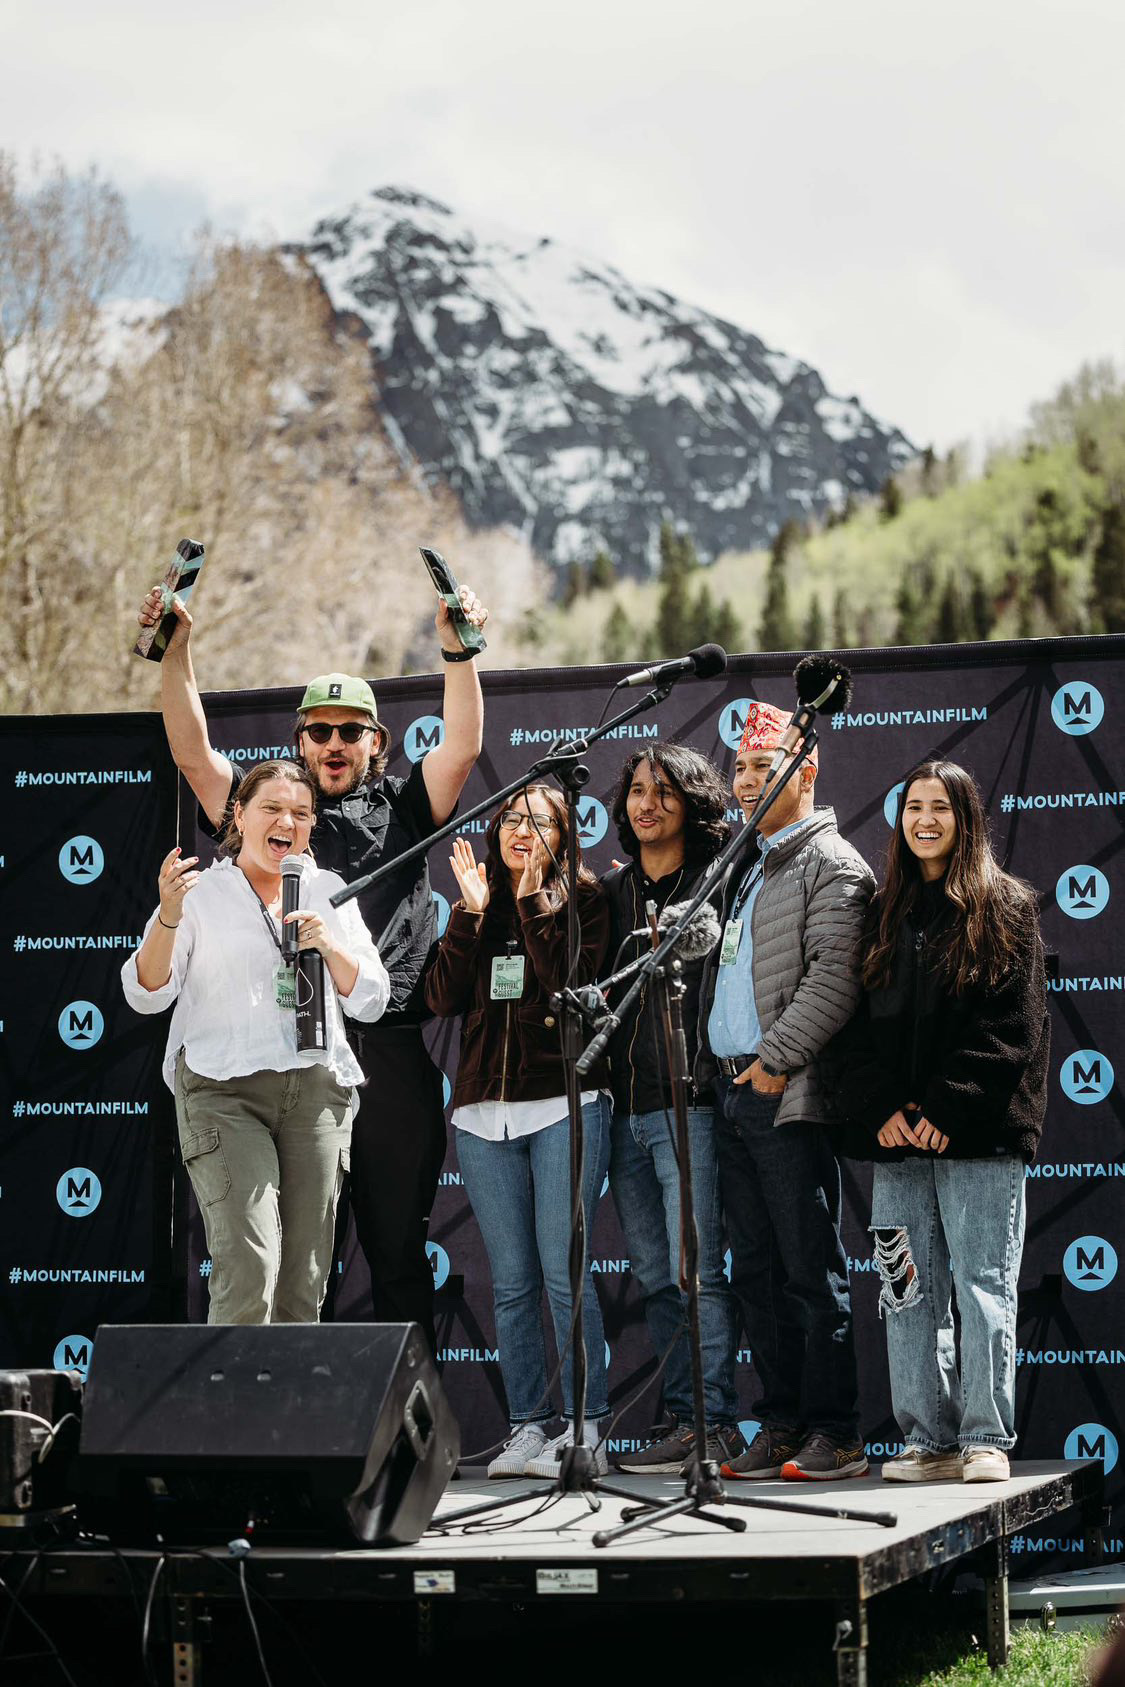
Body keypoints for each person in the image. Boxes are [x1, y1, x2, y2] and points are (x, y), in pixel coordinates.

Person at [137, 578, 488, 1350]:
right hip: (281, 1050)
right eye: (319, 730)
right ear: (297, 741)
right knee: (298, 1267)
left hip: (386, 1048)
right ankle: (284, 1436)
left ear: (376, 743)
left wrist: (458, 649)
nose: (333, 743)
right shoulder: (274, 808)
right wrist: (176, 650)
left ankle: (399, 1440)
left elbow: (460, 746)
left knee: (397, 1256)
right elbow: (193, 754)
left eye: (349, 731)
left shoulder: (404, 804)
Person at [833, 759, 1048, 1483]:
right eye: (913, 806)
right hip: (895, 1145)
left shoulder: (1007, 906)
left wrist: (943, 1110)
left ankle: (984, 1436)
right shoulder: (882, 911)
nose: (924, 819)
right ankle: (928, 1438)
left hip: (979, 1138)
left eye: (940, 807)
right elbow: (853, 1028)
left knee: (983, 1282)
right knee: (903, 1286)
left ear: (965, 817)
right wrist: (884, 1111)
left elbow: (1010, 1030)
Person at [121, 760, 390, 1324]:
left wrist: (329, 945)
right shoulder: (200, 895)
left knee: (304, 1284)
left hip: (316, 1094)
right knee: (250, 1269)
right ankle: (230, 1412)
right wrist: (168, 915)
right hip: (224, 1092)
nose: (286, 823)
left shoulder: (328, 890)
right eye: (272, 808)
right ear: (238, 816)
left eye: (301, 813)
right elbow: (145, 992)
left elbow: (371, 998)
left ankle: (287, 1414)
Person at [699, 700, 874, 1482]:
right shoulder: (747, 863)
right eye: (737, 768)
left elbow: (833, 979)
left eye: (759, 771)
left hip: (784, 1091)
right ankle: (779, 1421)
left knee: (809, 1267)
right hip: (734, 1093)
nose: (743, 783)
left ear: (804, 772)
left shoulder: (830, 864)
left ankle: (835, 1431)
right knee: (755, 1273)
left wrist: (773, 1060)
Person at [423, 786, 613, 1479]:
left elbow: (571, 984)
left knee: (565, 1274)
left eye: (539, 822)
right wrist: (470, 917)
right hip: (481, 1115)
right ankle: (527, 1425)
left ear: (564, 836)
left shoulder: (585, 899)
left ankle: (585, 1427)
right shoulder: (477, 902)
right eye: (511, 819)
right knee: (510, 1282)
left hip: (563, 1103)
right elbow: (441, 998)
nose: (520, 831)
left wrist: (535, 900)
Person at [597, 745, 742, 1474]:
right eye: (635, 792)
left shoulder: (717, 882)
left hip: (690, 1108)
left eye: (662, 791)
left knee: (697, 1272)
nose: (645, 804)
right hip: (622, 1113)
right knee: (656, 1274)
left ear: (691, 800)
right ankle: (688, 1419)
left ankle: (717, 1422)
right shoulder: (612, 893)